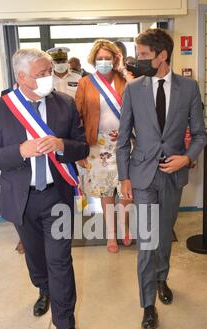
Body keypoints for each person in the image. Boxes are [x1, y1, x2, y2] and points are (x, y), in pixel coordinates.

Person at [0, 48, 89, 329]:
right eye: (40, 75)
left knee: (60, 260)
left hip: (57, 196)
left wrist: (61, 145)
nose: (47, 79)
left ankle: (65, 323)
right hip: (22, 198)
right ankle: (43, 289)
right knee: (37, 258)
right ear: (22, 77)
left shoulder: (64, 104)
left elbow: (82, 148)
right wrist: (20, 151)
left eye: (48, 73)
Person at [116, 29, 207, 329]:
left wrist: (187, 157)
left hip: (173, 175)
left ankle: (161, 279)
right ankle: (147, 306)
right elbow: (123, 139)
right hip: (142, 175)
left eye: (143, 55)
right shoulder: (133, 89)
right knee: (146, 241)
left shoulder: (189, 88)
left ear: (162, 55)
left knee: (164, 234)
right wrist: (124, 176)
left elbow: (200, 134)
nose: (138, 60)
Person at [75, 39, 132, 253]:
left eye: (108, 58)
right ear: (93, 60)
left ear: (116, 59)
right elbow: (77, 116)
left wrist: (126, 73)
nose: (104, 62)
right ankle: (111, 235)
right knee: (106, 192)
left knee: (126, 191)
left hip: (126, 143)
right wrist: (80, 148)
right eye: (100, 59)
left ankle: (124, 227)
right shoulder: (86, 83)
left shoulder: (125, 80)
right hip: (97, 145)